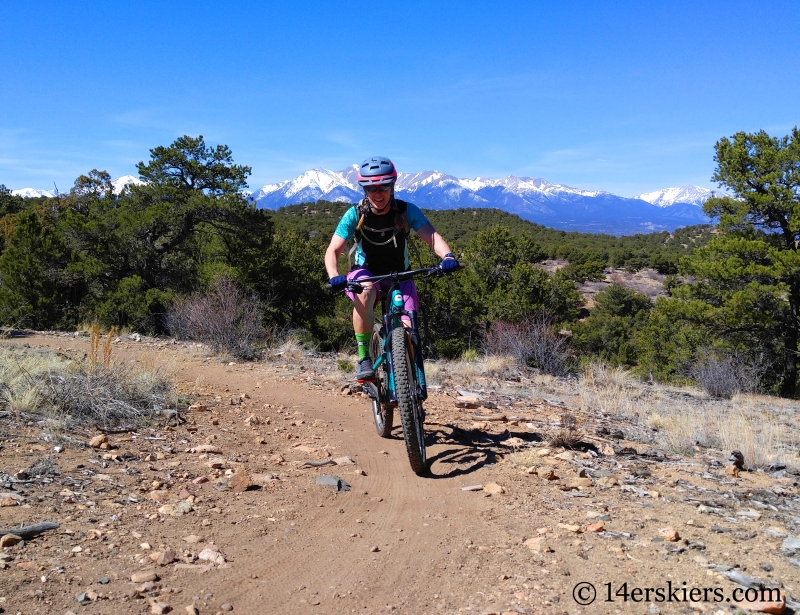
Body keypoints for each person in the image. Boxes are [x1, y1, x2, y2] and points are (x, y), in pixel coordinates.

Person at [325, 156, 459, 381]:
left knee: (409, 330)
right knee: (365, 292)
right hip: (366, 272)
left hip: (401, 273)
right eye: (371, 187)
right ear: (364, 189)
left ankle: (408, 387)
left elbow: (432, 237)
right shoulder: (355, 214)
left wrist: (447, 256)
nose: (378, 193)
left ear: (392, 186)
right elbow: (333, 250)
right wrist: (334, 275)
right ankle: (364, 358)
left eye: (383, 186)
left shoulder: (406, 211)